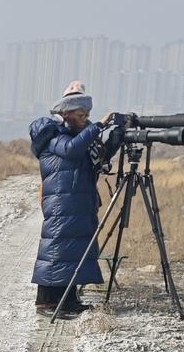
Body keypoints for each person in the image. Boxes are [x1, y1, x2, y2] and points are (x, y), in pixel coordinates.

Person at [30, 80, 118, 316]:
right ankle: (46, 303)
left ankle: (68, 301)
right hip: (61, 204)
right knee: (56, 250)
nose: (85, 119)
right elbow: (70, 149)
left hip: (76, 202)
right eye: (81, 115)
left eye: (87, 115)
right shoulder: (54, 136)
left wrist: (115, 136)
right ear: (66, 113)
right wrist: (99, 125)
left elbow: (95, 158)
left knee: (72, 252)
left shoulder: (76, 135)